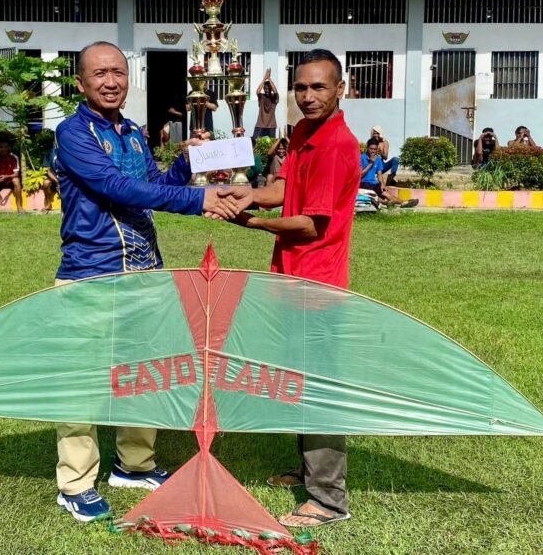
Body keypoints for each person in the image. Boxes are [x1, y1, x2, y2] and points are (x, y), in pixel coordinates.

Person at [53, 41, 241, 524]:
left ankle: (133, 465)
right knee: (82, 383)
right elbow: (116, 188)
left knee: (144, 375)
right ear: (81, 82)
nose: (111, 81)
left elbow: (151, 182)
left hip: (143, 273)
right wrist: (198, 201)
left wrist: (187, 162)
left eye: (118, 71)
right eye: (100, 74)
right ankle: (75, 482)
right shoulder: (73, 133)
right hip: (90, 274)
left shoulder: (132, 132)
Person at [225, 49, 358, 527]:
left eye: (319, 87)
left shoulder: (338, 144)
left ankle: (328, 500)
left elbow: (308, 225)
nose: (308, 97)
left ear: (341, 90)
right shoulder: (304, 133)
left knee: (318, 386)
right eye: (300, 88)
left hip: (317, 287)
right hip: (291, 279)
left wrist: (253, 221)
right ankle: (309, 473)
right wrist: (250, 194)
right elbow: (288, 189)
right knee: (299, 382)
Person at [361, 138, 417, 208]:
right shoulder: (361, 158)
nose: (373, 151)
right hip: (363, 184)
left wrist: (382, 184)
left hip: (373, 184)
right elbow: (359, 175)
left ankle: (404, 203)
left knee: (385, 192)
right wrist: (370, 163)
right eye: (371, 149)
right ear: (367, 148)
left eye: (375, 149)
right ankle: (386, 203)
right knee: (373, 194)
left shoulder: (378, 159)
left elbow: (379, 174)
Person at [0, 138, 24, 213]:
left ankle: (19, 207)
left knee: (16, 180)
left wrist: (6, 176)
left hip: (9, 180)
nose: (3, 149)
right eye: (1, 147)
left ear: (9, 147)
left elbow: (16, 174)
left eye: (5, 147)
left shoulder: (14, 157)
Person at [252, 68, 279, 139]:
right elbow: (257, 91)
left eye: (268, 89)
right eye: (265, 89)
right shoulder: (262, 97)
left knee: (272, 145)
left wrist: (269, 79)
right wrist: (264, 78)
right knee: (254, 142)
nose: (267, 90)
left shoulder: (274, 98)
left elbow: (275, 91)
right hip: (260, 124)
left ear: (271, 89)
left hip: (271, 125)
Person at [41, 131, 59, 213]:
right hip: (54, 178)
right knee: (45, 183)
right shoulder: (50, 153)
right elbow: (47, 170)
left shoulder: (69, 151)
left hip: (67, 178)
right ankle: (48, 204)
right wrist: (57, 180)